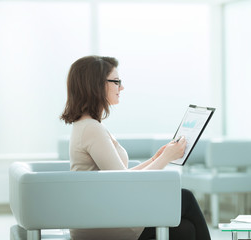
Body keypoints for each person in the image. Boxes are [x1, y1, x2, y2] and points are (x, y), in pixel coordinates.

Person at [60, 55, 211, 240]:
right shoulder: (91, 128)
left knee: (186, 229)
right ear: (96, 85)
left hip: (103, 215)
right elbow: (125, 183)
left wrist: (156, 159)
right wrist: (165, 159)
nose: (121, 87)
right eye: (116, 82)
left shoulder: (88, 125)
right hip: (104, 222)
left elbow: (121, 176)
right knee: (184, 197)